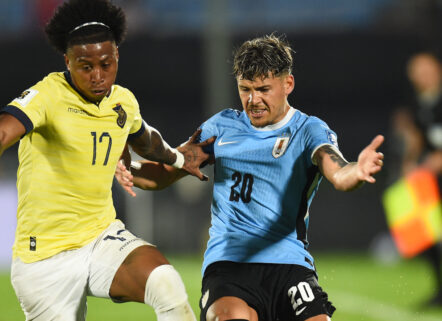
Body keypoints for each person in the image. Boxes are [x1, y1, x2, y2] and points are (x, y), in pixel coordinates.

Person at [0, 0, 213, 320]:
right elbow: (2, 129)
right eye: (85, 66)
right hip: (44, 259)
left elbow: (149, 144)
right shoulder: (48, 95)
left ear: (117, 56)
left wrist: (179, 160)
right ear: (67, 61)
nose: (97, 76)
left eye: (105, 64)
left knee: (165, 283)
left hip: (100, 237)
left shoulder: (123, 102)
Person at [115, 34, 385, 321]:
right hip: (229, 265)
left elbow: (339, 173)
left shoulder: (308, 130)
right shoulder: (222, 127)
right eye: (245, 89)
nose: (253, 100)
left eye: (263, 89)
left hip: (289, 264)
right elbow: (164, 174)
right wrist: (124, 169)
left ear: (287, 84)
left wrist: (357, 170)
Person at [390, 52, 442, 306]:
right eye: (417, 72)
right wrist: (410, 164)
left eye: (427, 70)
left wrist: (435, 161)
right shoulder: (420, 104)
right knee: (428, 237)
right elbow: (420, 138)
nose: (423, 76)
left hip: (435, 171)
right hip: (432, 182)